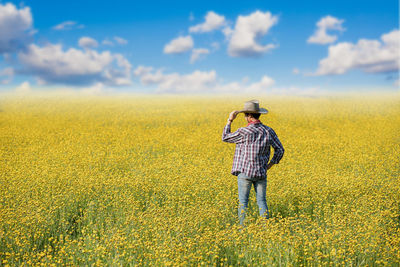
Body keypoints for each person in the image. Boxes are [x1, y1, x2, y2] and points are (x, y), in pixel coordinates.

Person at [221, 100, 284, 226]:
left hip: (245, 172)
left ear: (249, 116)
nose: (245, 118)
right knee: (262, 201)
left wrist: (230, 120)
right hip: (261, 172)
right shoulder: (268, 131)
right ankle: (266, 229)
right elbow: (280, 149)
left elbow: (225, 137)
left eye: (245, 115)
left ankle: (242, 229)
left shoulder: (244, 132)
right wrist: (270, 165)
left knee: (243, 202)